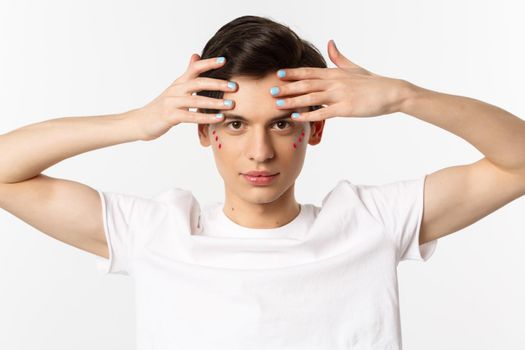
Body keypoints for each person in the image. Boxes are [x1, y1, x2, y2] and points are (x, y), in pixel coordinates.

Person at [0, 14, 524, 350]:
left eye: (281, 124)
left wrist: (407, 97)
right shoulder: (157, 232)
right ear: (204, 131)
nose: (260, 151)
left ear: (314, 128)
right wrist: (135, 123)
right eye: (234, 124)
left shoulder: (372, 223)